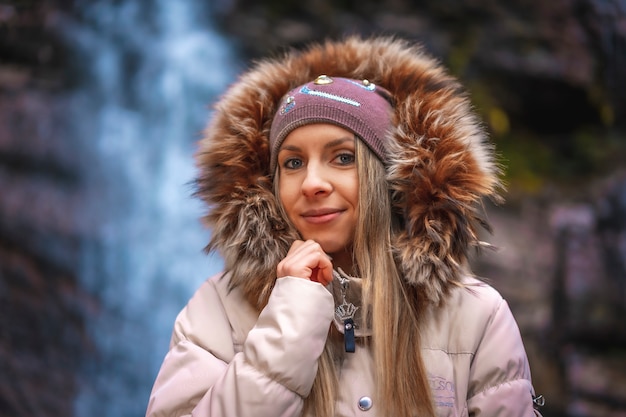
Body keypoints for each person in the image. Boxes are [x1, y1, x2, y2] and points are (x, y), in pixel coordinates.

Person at [145, 35, 544, 417]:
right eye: (293, 163)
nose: (313, 183)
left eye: (342, 158)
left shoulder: (476, 315)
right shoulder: (218, 311)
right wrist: (291, 319)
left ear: (389, 177)